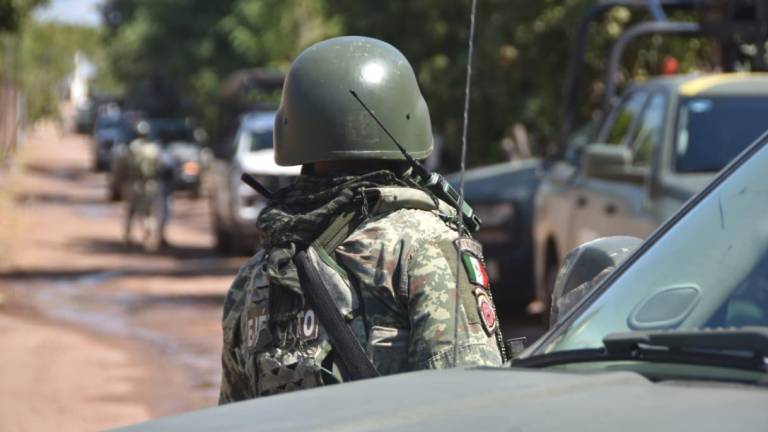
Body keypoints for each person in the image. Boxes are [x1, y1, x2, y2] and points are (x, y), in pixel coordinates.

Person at [219, 36, 506, 403]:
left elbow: (230, 416)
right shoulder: (424, 246)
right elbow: (472, 402)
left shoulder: (256, 276)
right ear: (408, 120)